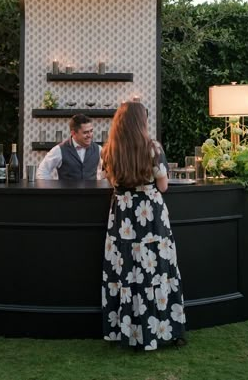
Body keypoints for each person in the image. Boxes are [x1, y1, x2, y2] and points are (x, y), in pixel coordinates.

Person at [101, 101, 186, 350]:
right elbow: (163, 186)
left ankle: (125, 331)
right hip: (149, 216)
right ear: (142, 122)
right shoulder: (152, 148)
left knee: (125, 270)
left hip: (122, 215)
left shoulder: (108, 150)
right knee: (156, 270)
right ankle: (162, 328)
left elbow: (110, 181)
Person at [36, 114, 102, 180]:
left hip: (91, 190)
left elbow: (106, 172)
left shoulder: (98, 149)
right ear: (73, 133)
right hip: (67, 190)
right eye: (85, 132)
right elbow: (42, 172)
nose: (90, 135)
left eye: (91, 131)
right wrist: (52, 189)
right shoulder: (59, 150)